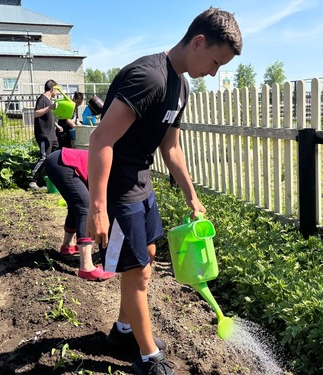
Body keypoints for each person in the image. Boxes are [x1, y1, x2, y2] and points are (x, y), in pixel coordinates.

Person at [86, 7, 242, 375]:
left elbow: (170, 148)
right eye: (216, 62)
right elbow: (100, 139)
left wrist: (191, 194)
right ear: (199, 41)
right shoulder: (148, 77)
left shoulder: (181, 85)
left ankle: (124, 331)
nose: (215, 73)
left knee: (150, 253)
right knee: (138, 272)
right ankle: (148, 357)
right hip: (120, 188)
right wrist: (96, 207)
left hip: (143, 181)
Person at [45, 148, 116, 281]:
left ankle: (67, 246)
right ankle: (87, 267)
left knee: (76, 205)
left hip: (58, 161)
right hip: (63, 163)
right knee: (86, 208)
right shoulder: (118, 175)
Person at [28, 79, 60, 190]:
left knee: (55, 155)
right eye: (57, 90)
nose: (58, 92)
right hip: (44, 135)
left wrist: (56, 125)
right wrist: (49, 107)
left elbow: (48, 116)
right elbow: (36, 113)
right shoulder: (42, 99)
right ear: (52, 89)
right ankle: (32, 180)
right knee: (44, 157)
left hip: (52, 134)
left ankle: (53, 178)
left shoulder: (50, 101)